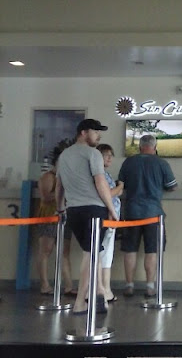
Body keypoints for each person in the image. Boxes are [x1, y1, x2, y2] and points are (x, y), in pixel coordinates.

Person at [55, 119, 118, 314]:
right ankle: (80, 302)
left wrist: (60, 209)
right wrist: (112, 209)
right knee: (90, 254)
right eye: (95, 131)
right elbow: (101, 183)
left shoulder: (64, 156)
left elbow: (59, 186)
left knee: (93, 252)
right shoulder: (93, 154)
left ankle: (99, 292)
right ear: (83, 132)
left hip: (73, 210)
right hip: (94, 210)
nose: (99, 136)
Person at [118, 134, 177, 298]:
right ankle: (150, 287)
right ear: (155, 147)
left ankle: (129, 285)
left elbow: (120, 185)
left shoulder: (128, 162)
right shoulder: (162, 163)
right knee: (152, 250)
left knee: (130, 249)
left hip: (131, 212)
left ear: (139, 147)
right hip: (153, 213)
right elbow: (172, 186)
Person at [35, 139, 75, 296]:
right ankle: (44, 285)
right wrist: (63, 192)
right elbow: (45, 197)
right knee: (46, 250)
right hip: (49, 216)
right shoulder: (49, 176)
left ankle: (69, 286)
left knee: (64, 252)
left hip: (64, 216)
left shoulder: (66, 176)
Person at [96, 144, 124, 302]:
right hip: (106, 217)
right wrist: (120, 186)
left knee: (106, 254)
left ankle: (105, 288)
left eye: (110, 155)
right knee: (103, 253)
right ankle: (102, 289)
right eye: (106, 155)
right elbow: (108, 193)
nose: (109, 158)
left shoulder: (105, 174)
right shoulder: (99, 175)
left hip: (111, 218)